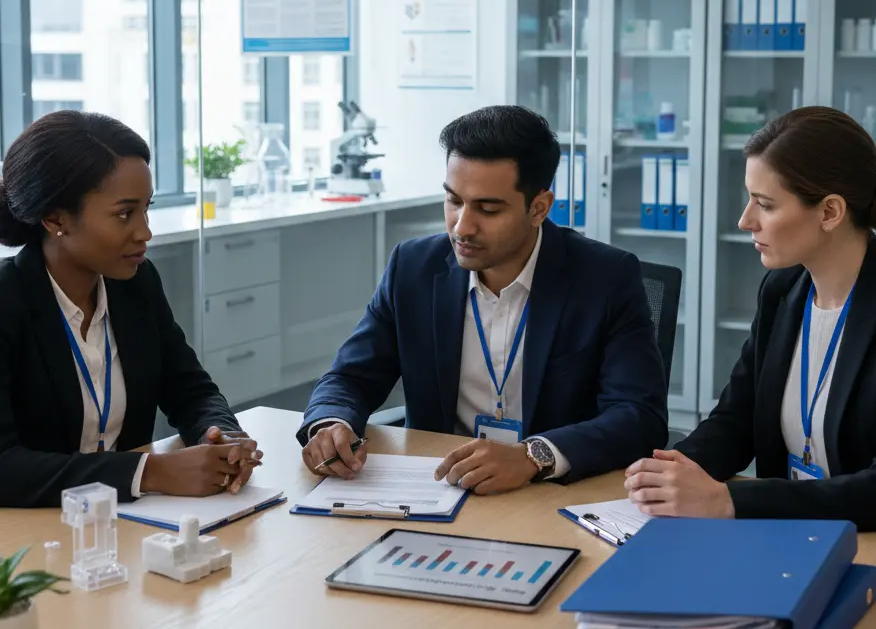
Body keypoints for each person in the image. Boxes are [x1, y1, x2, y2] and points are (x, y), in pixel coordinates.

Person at [299, 106, 668, 493]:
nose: (462, 226)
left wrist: (533, 456)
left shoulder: (604, 278)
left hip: (549, 493)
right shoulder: (413, 268)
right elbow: (351, 377)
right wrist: (330, 423)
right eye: (454, 201)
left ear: (539, 207)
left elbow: (638, 415)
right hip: (441, 488)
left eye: (488, 209)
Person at [625, 106, 876, 530]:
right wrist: (671, 471)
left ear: (830, 212)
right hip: (787, 539)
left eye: (765, 204)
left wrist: (730, 501)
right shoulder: (783, 292)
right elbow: (736, 419)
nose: (745, 220)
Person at [0, 111, 263, 508]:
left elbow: (190, 389)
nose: (145, 232)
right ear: (55, 218)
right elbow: (5, 466)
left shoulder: (135, 284)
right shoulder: (8, 300)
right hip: (33, 537)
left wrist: (220, 435)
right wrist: (150, 472)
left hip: (128, 528)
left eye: (146, 209)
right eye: (124, 213)